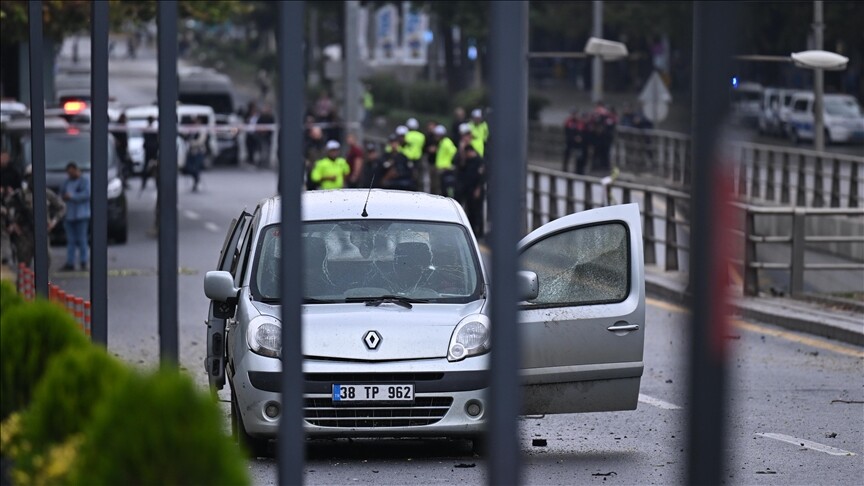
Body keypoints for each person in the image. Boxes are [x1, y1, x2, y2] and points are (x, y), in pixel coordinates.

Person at [3, 166, 66, 269]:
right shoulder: (19, 195)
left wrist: (53, 222)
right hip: (24, 235)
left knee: (45, 265)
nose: (33, 180)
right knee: (24, 268)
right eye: (30, 177)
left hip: (42, 232)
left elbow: (62, 207)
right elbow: (6, 207)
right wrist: (13, 224)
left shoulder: (46, 193)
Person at [60, 162, 91, 271]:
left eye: (72, 172)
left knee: (82, 239)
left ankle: (83, 261)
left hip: (81, 215)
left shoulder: (84, 181)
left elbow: (87, 194)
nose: (70, 175)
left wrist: (72, 196)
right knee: (71, 240)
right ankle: (70, 262)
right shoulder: (66, 182)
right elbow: (61, 195)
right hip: (69, 215)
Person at [458, 144, 486, 240]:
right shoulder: (467, 161)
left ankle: (479, 232)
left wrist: (478, 189)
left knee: (477, 211)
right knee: (470, 211)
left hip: (476, 190)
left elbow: (481, 177)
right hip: (468, 189)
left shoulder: (479, 161)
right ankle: (473, 231)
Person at [431, 125, 458, 198]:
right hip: (440, 168)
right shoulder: (442, 142)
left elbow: (454, 152)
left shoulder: (446, 142)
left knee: (442, 188)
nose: (435, 136)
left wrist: (449, 165)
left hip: (444, 168)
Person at [183, 116, 207, 192]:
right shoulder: (192, 129)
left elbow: (201, 141)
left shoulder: (202, 129)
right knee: (188, 168)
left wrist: (192, 143)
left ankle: (196, 182)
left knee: (196, 168)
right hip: (191, 151)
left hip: (198, 151)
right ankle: (196, 179)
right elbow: (186, 135)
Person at [403, 118, 426, 191]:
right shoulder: (421, 136)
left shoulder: (406, 135)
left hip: (406, 158)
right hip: (417, 159)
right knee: (416, 177)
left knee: (406, 175)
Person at [112, 113, 131, 184]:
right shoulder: (118, 127)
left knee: (125, 166)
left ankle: (124, 180)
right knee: (121, 166)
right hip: (119, 151)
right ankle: (122, 181)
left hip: (123, 150)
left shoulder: (122, 126)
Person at [141, 115, 159, 191]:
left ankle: (149, 181)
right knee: (149, 167)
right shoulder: (149, 129)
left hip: (151, 150)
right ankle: (145, 181)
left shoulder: (152, 129)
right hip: (150, 150)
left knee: (153, 167)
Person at [562, 108, 583, 173]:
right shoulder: (568, 121)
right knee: (567, 155)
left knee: (578, 156)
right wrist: (573, 137)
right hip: (569, 141)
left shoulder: (579, 122)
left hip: (577, 143)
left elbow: (581, 131)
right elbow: (566, 131)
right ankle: (565, 169)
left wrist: (578, 137)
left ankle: (577, 170)